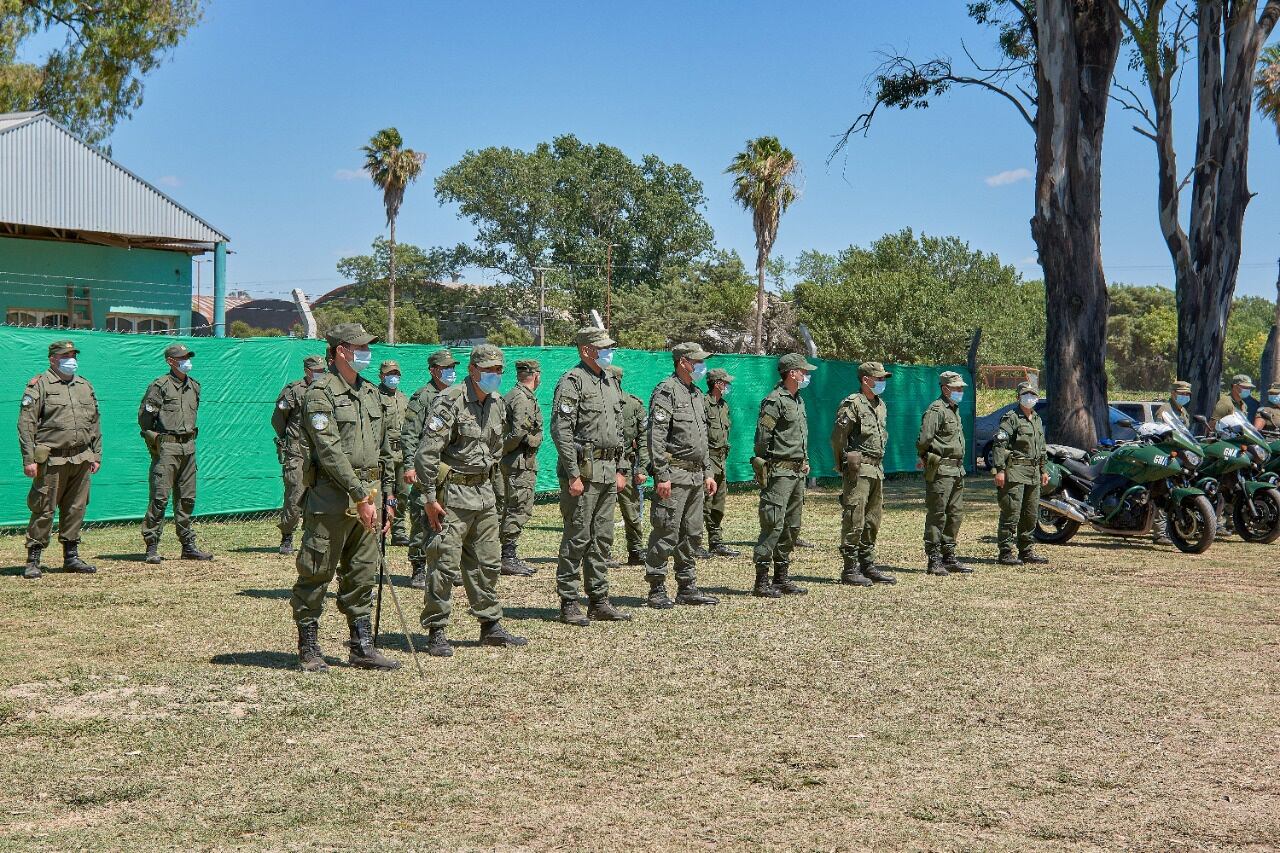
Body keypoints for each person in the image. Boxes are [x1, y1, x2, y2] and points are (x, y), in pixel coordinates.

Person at [291, 322, 400, 672]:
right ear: (341, 350)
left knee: (363, 572)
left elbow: (385, 449)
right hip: (332, 497)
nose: (366, 354)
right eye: (360, 347)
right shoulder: (320, 393)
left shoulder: (370, 393)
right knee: (316, 570)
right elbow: (329, 450)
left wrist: (387, 496)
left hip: (370, 492)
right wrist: (360, 496)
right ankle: (309, 646)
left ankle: (361, 645)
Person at [416, 345, 528, 657]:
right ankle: (437, 629)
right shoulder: (449, 400)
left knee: (488, 562)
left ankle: (490, 625)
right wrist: (428, 498)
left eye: (499, 370)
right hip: (452, 495)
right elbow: (427, 453)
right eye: (488, 369)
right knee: (444, 563)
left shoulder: (496, 404)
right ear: (473, 370)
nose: (495, 375)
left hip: (484, 494)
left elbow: (494, 450)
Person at [549, 327, 631, 627]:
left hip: (608, 473)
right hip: (583, 473)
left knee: (602, 539)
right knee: (578, 537)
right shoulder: (572, 381)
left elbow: (620, 430)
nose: (609, 352)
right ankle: (569, 602)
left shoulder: (610, 381)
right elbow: (561, 430)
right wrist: (573, 474)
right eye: (602, 348)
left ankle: (599, 601)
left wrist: (621, 467)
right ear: (586, 350)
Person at [642, 342, 720, 609]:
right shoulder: (667, 391)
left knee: (692, 533)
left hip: (697, 476)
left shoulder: (697, 394)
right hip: (674, 475)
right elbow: (656, 437)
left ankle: (687, 587)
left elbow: (704, 441)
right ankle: (657, 588)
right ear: (683, 362)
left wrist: (708, 472)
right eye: (697, 361)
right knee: (666, 531)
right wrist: (661, 475)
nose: (701, 366)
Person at [18, 340, 101, 579]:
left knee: (76, 509)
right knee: (44, 509)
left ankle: (71, 557)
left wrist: (96, 454)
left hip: (81, 458)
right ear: (53, 359)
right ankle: (33, 559)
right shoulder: (40, 385)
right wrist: (28, 459)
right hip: (52, 460)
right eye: (65, 355)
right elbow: (26, 424)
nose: (71, 359)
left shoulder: (84, 386)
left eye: (73, 354)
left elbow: (95, 422)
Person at [138, 343, 212, 564]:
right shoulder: (159, 386)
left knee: (187, 498)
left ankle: (188, 545)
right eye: (182, 357)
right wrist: (157, 440)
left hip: (189, 446)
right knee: (160, 497)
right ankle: (152, 545)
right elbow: (145, 420)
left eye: (188, 356)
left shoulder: (194, 386)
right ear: (171, 361)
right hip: (167, 447)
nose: (187, 360)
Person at [751, 353, 814, 598]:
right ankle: (762, 581)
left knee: (792, 526)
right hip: (779, 473)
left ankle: (781, 577)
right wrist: (770, 462)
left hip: (798, 473)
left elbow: (801, 436)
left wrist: (804, 460)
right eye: (803, 371)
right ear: (792, 373)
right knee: (773, 525)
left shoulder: (798, 400)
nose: (806, 375)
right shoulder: (774, 401)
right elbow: (762, 439)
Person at [831, 361, 896, 587]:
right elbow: (838, 438)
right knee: (854, 518)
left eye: (883, 379)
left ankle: (867, 564)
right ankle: (850, 569)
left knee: (872, 519)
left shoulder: (880, 405)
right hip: (858, 469)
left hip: (877, 469)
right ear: (866, 380)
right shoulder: (852, 404)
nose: (882, 382)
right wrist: (843, 464)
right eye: (878, 379)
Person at [401, 349, 458, 589]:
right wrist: (409, 465)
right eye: (446, 368)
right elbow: (410, 435)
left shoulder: (455, 395)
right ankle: (418, 567)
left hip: (448, 468)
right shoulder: (422, 397)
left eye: (453, 368)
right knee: (421, 517)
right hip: (426, 467)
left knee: (448, 518)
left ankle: (444, 567)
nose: (451, 372)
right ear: (434, 370)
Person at [916, 371, 974, 576]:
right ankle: (934, 559)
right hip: (941, 469)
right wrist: (926, 458)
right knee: (937, 514)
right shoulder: (936, 409)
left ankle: (949, 556)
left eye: (961, 388)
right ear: (945, 388)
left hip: (957, 469)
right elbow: (924, 439)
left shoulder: (953, 410)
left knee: (955, 514)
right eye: (957, 388)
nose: (960, 391)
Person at [992, 380, 1050, 566]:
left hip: (1033, 472)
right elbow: (1000, 445)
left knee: (1030, 513)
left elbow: (1041, 447)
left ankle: (1026, 550)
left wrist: (1043, 469)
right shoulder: (1011, 418)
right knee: (1011, 511)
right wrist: (1000, 470)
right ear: (1018, 397)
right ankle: (1006, 552)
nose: (1030, 398)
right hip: (1015, 470)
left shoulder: (1037, 419)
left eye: (1033, 394)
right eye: (1026, 394)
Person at [272, 354, 326, 555]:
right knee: (295, 495)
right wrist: (289, 441)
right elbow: (278, 420)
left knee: (320, 497)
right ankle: (287, 535)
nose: (321, 374)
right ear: (307, 371)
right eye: (317, 371)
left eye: (323, 370)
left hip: (321, 452)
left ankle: (310, 536)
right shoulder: (294, 391)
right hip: (297, 453)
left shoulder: (327, 389)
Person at [499, 358, 543, 577]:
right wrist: (504, 451)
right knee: (518, 508)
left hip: (515, 461)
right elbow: (517, 433)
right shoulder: (522, 399)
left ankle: (505, 555)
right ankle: (507, 557)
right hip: (518, 462)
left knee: (510, 507)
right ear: (536, 376)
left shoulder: (515, 395)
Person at [696, 367, 739, 559]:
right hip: (708, 458)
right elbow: (701, 436)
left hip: (721, 459)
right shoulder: (703, 404)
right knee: (704, 502)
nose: (728, 385)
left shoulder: (724, 406)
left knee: (718, 503)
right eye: (726, 382)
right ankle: (695, 543)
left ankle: (716, 541)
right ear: (717, 384)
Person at [613, 365, 649, 566]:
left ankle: (635, 550)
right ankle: (604, 553)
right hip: (607, 463)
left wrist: (643, 468)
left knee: (631, 511)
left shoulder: (633, 405)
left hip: (625, 463)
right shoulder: (600, 403)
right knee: (605, 512)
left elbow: (644, 438)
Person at [1151, 380, 1194, 546]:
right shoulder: (1165, 410)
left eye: (1187, 394)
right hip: (1165, 456)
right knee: (1161, 492)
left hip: (1179, 456)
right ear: (1173, 393)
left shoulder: (1183, 411)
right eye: (1182, 393)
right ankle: (1160, 532)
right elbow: (1160, 434)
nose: (1185, 396)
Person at [377, 360, 411, 546]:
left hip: (403, 454)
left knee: (403, 494)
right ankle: (380, 528)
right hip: (384, 454)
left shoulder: (404, 398)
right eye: (390, 373)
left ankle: (398, 532)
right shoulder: (375, 397)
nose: (393, 377)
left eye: (396, 373)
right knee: (384, 493)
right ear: (381, 376)